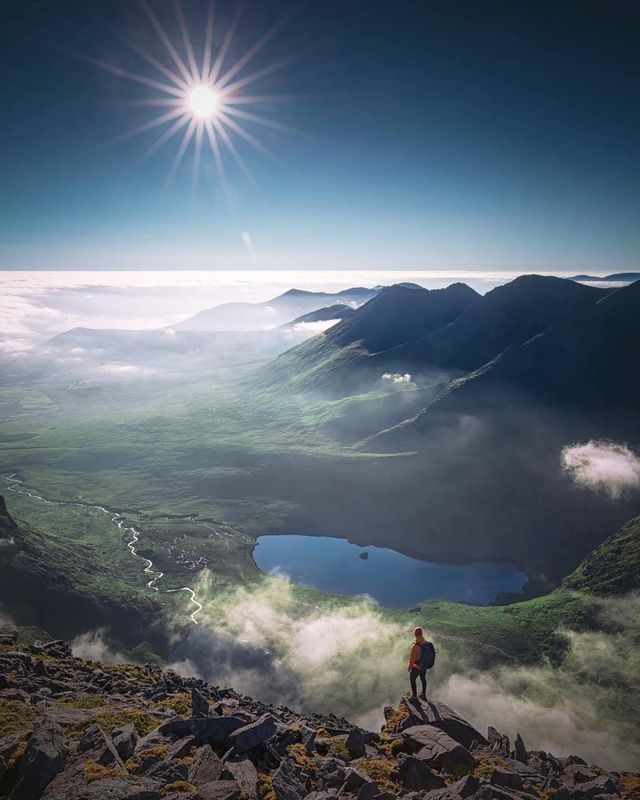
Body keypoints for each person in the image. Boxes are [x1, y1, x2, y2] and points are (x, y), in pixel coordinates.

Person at [407, 626, 434, 699]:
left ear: (415, 634)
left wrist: (409, 668)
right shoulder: (426, 643)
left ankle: (414, 696)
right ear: (422, 634)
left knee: (412, 679)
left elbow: (412, 659)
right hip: (424, 666)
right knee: (423, 679)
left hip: (416, 666)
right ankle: (423, 694)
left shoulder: (415, 646)